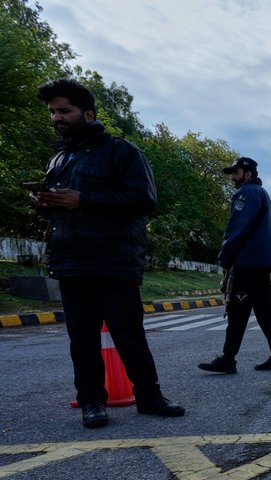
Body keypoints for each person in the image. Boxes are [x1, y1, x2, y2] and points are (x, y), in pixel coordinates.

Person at [31, 78, 185, 428]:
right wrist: (43, 201)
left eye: (64, 111)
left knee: (128, 333)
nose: (57, 117)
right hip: (70, 260)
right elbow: (60, 207)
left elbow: (144, 200)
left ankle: (149, 397)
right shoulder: (60, 158)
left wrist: (83, 199)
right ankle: (92, 402)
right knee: (81, 338)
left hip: (113, 259)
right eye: (53, 111)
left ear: (87, 113)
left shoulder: (122, 152)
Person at [199, 157, 271, 374]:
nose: (233, 178)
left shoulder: (245, 193)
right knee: (266, 314)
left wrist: (224, 257)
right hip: (261, 264)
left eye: (236, 173)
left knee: (237, 312)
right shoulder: (263, 194)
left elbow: (237, 227)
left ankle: (228, 359)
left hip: (248, 263)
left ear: (248, 174)